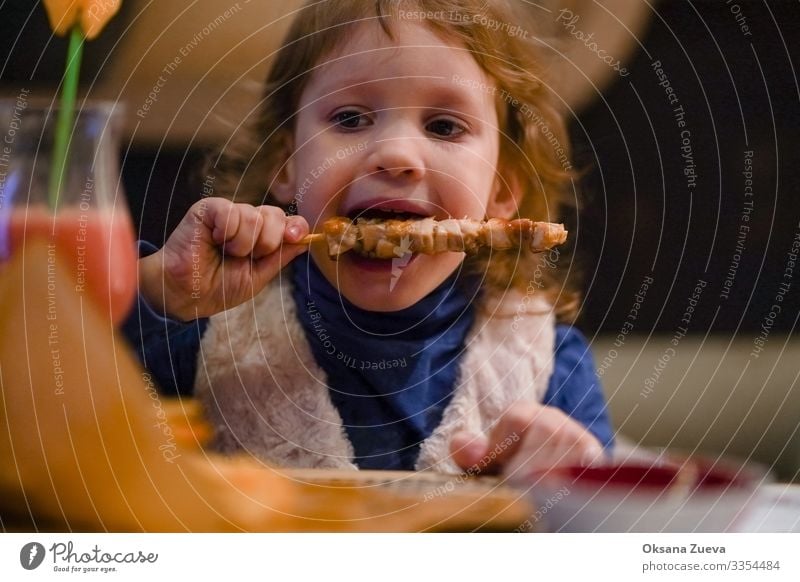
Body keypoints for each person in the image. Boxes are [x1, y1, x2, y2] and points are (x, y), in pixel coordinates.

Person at [124, 0, 614, 477]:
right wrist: (160, 291)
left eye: (444, 126)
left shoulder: (550, 364)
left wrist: (571, 490)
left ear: (503, 188)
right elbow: (67, 408)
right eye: (351, 119)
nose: (397, 153)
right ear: (286, 164)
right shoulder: (201, 332)